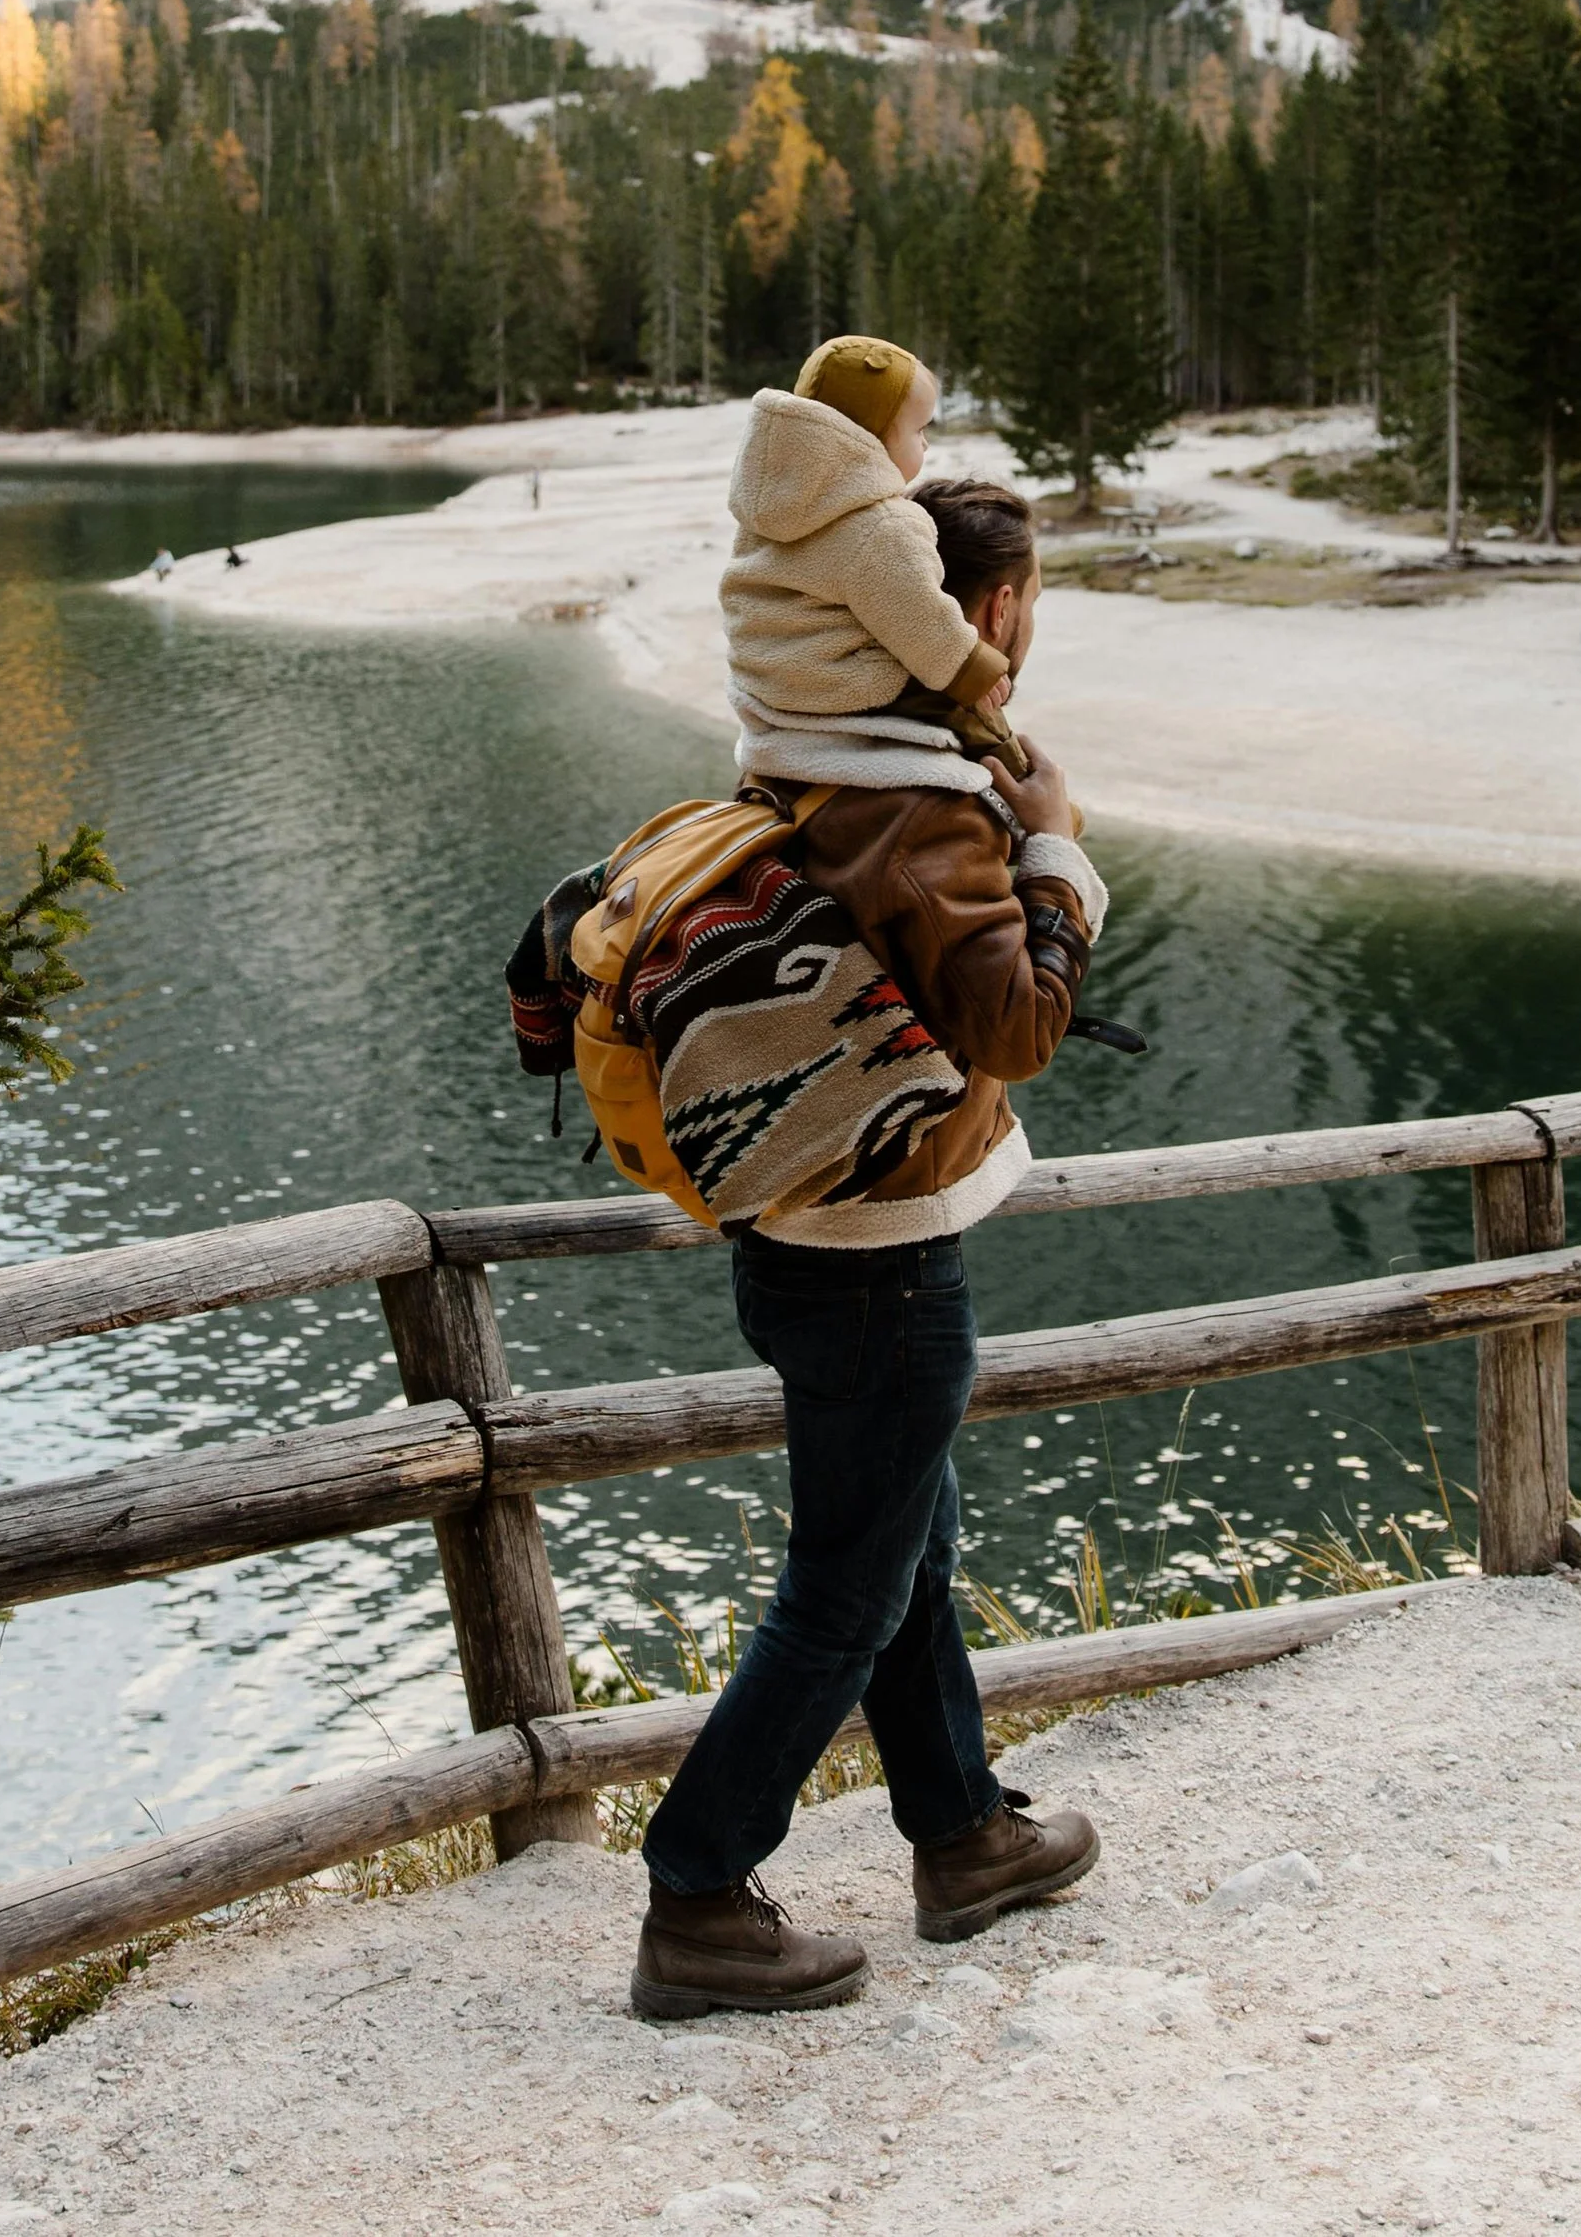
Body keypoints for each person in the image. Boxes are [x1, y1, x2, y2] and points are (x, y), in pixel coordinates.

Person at [632, 473, 1104, 2020]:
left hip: (809, 1229)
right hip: (879, 1255)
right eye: (1023, 600)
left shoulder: (815, 748)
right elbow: (1016, 1025)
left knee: (909, 1548)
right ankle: (699, 1890)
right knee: (845, 1581)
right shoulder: (920, 803)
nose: (1026, 633)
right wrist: (1059, 858)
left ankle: (962, 1831)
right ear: (984, 610)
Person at [721, 335, 1013, 762]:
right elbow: (916, 615)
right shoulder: (880, 527)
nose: (926, 444)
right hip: (838, 685)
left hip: (766, 682)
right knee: (973, 721)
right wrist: (973, 668)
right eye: (919, 430)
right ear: (867, 443)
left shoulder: (771, 507)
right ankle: (1023, 791)